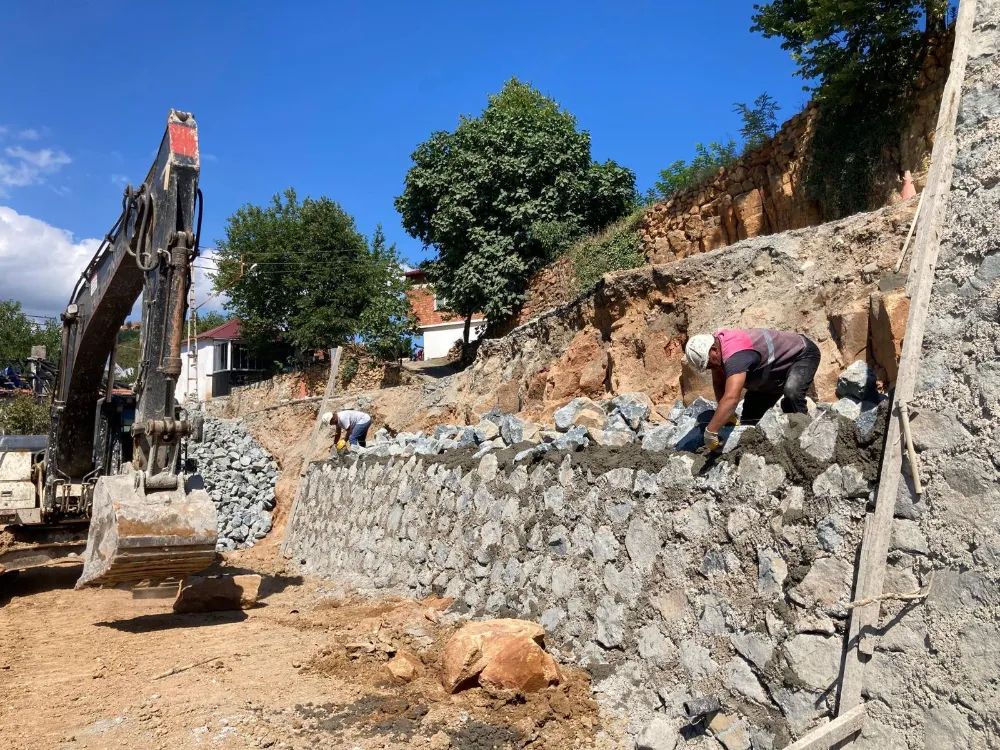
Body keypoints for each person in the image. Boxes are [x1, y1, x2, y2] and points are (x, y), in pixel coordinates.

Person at [684, 328, 821, 451]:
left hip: (801, 354)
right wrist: (726, 414)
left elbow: (731, 398)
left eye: (709, 364)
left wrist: (711, 432)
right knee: (750, 418)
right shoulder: (718, 347)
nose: (711, 368)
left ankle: (806, 442)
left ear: (714, 349)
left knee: (792, 394)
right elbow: (719, 382)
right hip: (772, 371)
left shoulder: (736, 356)